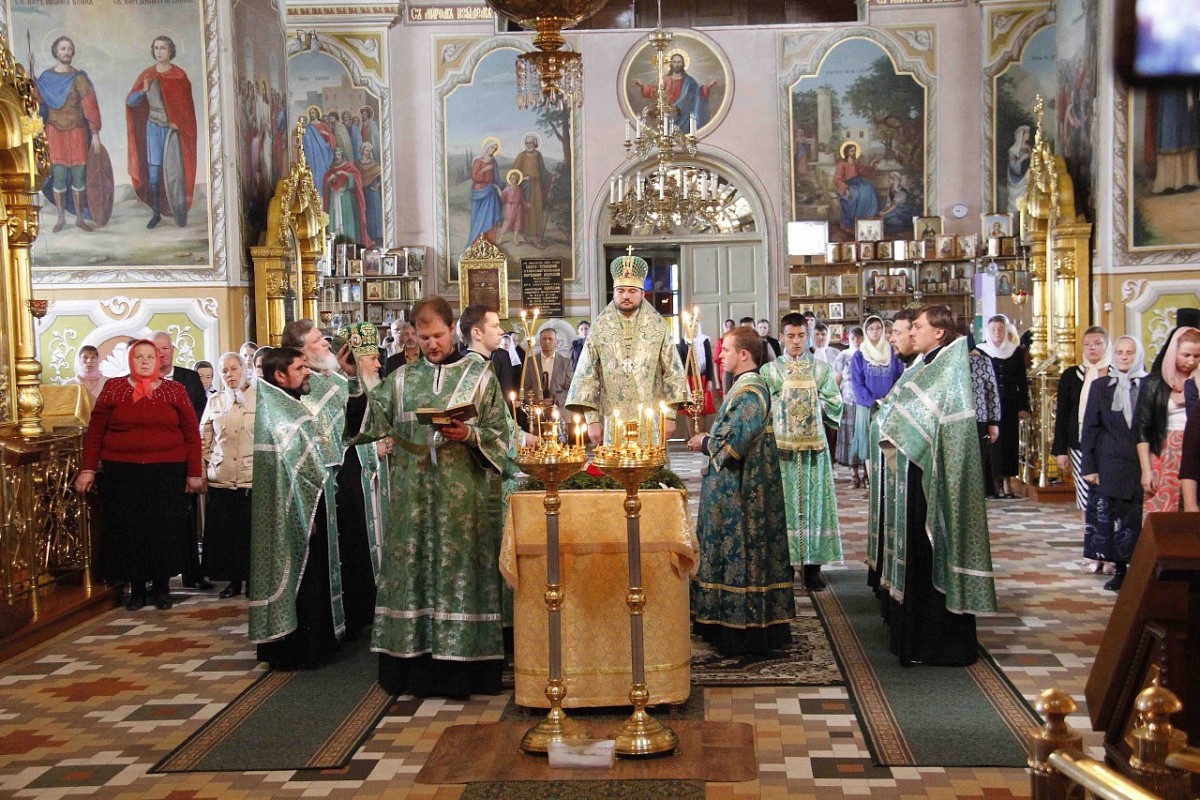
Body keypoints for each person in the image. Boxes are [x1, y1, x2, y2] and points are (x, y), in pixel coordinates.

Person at [344, 297, 511, 698]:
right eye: (424, 337)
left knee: (460, 575)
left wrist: (468, 434)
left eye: (438, 335)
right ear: (413, 336)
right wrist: (354, 380)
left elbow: (501, 436)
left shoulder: (479, 375)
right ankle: (412, 670)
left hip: (462, 503)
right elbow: (365, 423)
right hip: (412, 500)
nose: (432, 344)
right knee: (412, 574)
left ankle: (463, 673)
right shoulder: (402, 379)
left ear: (453, 330)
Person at [874, 306, 997, 666]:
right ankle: (917, 641)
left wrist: (893, 417)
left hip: (937, 474)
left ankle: (940, 645)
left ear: (939, 332)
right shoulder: (930, 363)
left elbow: (918, 415)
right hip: (919, 472)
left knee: (931, 552)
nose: (911, 332)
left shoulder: (949, 366)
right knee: (919, 554)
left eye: (918, 326)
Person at [687, 325, 794, 655]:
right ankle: (720, 621)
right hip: (735, 487)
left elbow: (735, 442)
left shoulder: (750, 392)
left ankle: (740, 631)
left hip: (743, 493)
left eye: (726, 350)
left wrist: (704, 441)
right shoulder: (743, 387)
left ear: (744, 355)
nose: (719, 356)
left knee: (741, 551)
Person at [74, 339, 202, 611]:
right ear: (130, 360)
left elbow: (192, 433)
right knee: (129, 529)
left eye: (150, 357)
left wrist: (194, 473)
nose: (145, 361)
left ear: (158, 361)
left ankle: (162, 588)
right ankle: (137, 589)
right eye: (139, 357)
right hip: (123, 471)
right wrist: (88, 468)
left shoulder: (175, 390)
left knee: (163, 529)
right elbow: (95, 432)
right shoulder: (114, 387)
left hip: (166, 471)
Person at [280, 319, 380, 641]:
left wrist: (351, 377)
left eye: (324, 339)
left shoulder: (330, 378)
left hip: (346, 477)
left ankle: (352, 619)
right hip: (320, 484)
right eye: (317, 341)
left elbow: (353, 423)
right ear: (300, 351)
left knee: (350, 547)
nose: (326, 344)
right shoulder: (299, 389)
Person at [249, 347, 344, 669]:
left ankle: (316, 645)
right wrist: (305, 513)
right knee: (300, 576)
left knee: (312, 574)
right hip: (295, 510)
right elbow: (285, 470)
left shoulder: (290, 405)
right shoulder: (278, 413)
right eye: (300, 368)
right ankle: (295, 650)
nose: (307, 373)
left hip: (310, 503)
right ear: (279, 375)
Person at [566, 251, 687, 446]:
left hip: (651, 418)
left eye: (632, 291)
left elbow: (672, 371)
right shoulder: (600, 327)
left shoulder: (657, 325)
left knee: (651, 464)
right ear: (614, 293)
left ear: (642, 293)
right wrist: (592, 420)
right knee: (613, 464)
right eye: (620, 290)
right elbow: (587, 375)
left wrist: (670, 415)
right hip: (610, 419)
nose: (626, 296)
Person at [761, 313, 843, 591]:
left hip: (813, 453)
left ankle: (812, 568)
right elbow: (763, 406)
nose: (796, 342)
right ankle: (782, 565)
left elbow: (835, 403)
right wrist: (783, 404)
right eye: (791, 336)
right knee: (782, 506)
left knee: (814, 505)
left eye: (801, 336)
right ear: (781, 337)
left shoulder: (820, 370)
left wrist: (815, 405)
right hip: (781, 452)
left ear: (807, 337)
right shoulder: (770, 371)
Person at [1080, 335, 1148, 592]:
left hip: (1140, 462)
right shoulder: (1101, 386)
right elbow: (1090, 427)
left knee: (1134, 518)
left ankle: (1138, 568)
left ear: (1137, 355)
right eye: (1119, 352)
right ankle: (1119, 570)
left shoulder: (1149, 384)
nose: (1124, 356)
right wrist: (1089, 466)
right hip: (1109, 461)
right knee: (1113, 520)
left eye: (1129, 352)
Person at [1052, 327, 1112, 565]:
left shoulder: (1115, 374)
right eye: (1087, 344)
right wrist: (1060, 450)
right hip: (1079, 443)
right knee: (1086, 496)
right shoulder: (1071, 376)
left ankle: (1110, 551)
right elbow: (1063, 414)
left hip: (1109, 446)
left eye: (1097, 343)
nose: (1092, 348)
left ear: (1107, 345)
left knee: (1108, 496)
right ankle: (1092, 549)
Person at [126, 36, 198, 229]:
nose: (159, 52)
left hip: (173, 132)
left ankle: (177, 211)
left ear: (170, 51)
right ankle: (156, 214)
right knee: (154, 172)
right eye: (156, 48)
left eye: (163, 48)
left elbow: (186, 110)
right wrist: (143, 90)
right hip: (153, 128)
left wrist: (178, 124)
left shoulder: (179, 76)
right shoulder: (147, 75)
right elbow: (131, 102)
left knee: (175, 172)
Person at [200, 353, 255, 599]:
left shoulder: (259, 399)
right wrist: (202, 470)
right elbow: (204, 438)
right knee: (228, 535)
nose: (229, 374)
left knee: (249, 533)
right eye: (224, 371)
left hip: (250, 476)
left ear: (244, 370)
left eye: (234, 369)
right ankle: (233, 581)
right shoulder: (215, 402)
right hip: (222, 476)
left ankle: (253, 580)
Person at [36, 35, 102, 233]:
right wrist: (31, 81)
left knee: (79, 176)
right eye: (63, 48)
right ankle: (61, 219)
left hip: (77, 132)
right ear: (56, 52)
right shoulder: (46, 78)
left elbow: (90, 106)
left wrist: (95, 133)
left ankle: (80, 219)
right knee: (59, 176)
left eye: (69, 48)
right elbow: (37, 101)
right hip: (54, 132)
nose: (67, 52)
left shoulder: (79, 78)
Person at [1135, 326, 1200, 515]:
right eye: (1186, 355)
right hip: (1164, 452)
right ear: (1173, 352)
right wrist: (1146, 469)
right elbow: (1142, 427)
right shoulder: (1154, 383)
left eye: (1197, 356)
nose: (1191, 361)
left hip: (1194, 450)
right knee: (1162, 514)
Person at [849, 315, 904, 486]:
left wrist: (889, 400)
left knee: (888, 441)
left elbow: (899, 377)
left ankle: (888, 482)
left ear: (883, 330)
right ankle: (873, 482)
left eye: (878, 328)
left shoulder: (891, 353)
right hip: (867, 406)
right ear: (866, 331)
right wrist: (872, 403)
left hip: (888, 405)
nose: (874, 332)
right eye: (871, 329)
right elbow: (857, 383)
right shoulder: (859, 356)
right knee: (867, 442)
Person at [979, 315, 1030, 498]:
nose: (997, 333)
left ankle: (1008, 482)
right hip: (988, 405)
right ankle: (994, 484)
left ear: (1005, 331)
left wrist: (1023, 406)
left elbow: (1022, 380)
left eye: (1000, 329)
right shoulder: (980, 352)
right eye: (993, 329)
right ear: (988, 331)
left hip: (1009, 404)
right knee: (992, 443)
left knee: (1009, 443)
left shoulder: (1015, 352)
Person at [634, 51, 718, 133]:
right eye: (674, 62)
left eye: (679, 62)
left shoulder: (689, 81)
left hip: (684, 117)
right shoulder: (665, 79)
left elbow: (697, 93)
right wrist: (642, 86)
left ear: (683, 64)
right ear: (671, 64)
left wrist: (707, 86)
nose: (677, 64)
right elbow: (654, 91)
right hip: (668, 115)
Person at [967, 332, 1002, 498]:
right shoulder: (948, 362)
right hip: (953, 419)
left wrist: (994, 421)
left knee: (978, 459)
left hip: (979, 417)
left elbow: (992, 392)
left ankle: (976, 495)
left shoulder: (982, 361)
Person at [323, 148, 373, 248]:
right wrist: (330, 179)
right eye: (335, 155)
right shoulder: (332, 169)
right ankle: (335, 243)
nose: (337, 157)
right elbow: (326, 182)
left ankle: (349, 244)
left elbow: (356, 177)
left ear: (342, 156)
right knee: (335, 219)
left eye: (338, 155)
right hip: (334, 197)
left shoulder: (348, 167)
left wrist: (344, 173)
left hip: (346, 198)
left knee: (346, 219)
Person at [834, 326, 863, 480]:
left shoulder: (867, 354)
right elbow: (836, 379)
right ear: (849, 339)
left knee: (862, 433)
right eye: (854, 338)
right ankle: (854, 473)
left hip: (864, 399)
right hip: (848, 398)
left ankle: (866, 473)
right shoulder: (843, 355)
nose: (857, 341)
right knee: (850, 434)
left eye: (859, 337)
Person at [523, 327, 572, 419]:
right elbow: (525, 387)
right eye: (544, 339)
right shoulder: (530, 362)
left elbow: (570, 388)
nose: (547, 342)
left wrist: (555, 400)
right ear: (540, 341)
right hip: (537, 412)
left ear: (557, 342)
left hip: (560, 412)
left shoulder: (565, 363)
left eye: (550, 339)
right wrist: (535, 401)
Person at [511, 134, 551, 245]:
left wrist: (551, 176)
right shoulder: (521, 156)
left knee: (536, 209)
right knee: (526, 209)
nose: (529, 145)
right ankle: (525, 233)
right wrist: (523, 178)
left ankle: (536, 235)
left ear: (535, 143)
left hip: (537, 186)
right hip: (525, 186)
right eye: (527, 143)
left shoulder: (538, 155)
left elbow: (543, 171)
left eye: (531, 143)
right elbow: (514, 172)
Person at [676, 321, 715, 435]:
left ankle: (701, 436)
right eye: (691, 326)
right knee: (688, 410)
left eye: (696, 326)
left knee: (702, 409)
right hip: (688, 379)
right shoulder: (683, 341)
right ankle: (692, 436)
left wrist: (710, 380)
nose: (694, 328)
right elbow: (681, 362)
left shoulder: (704, 340)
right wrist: (682, 381)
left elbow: (709, 361)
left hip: (702, 378)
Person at [834, 141, 879, 236]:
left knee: (869, 189)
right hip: (848, 185)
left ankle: (867, 218)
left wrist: (872, 165)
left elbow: (864, 171)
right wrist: (845, 189)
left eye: (854, 151)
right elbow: (838, 179)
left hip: (859, 183)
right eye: (851, 151)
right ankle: (850, 224)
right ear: (846, 152)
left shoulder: (856, 163)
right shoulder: (842, 164)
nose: (853, 153)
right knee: (854, 196)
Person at [467, 137, 504, 247]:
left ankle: (490, 243)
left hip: (491, 191)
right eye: (492, 147)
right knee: (478, 218)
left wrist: (501, 186)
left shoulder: (493, 162)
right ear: (487, 147)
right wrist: (484, 170)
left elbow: (496, 178)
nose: (493, 150)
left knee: (491, 217)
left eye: (495, 148)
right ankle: (476, 243)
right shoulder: (478, 161)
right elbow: (474, 177)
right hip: (479, 190)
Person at [1006, 125, 1032, 214]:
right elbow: (1013, 166)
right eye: (1026, 133)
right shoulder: (1013, 150)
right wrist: (1022, 159)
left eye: (1028, 133)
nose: (1028, 135)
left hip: (1027, 177)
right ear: (1021, 135)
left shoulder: (1028, 148)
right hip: (1017, 179)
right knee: (1016, 203)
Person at [498, 168, 525, 245]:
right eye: (512, 178)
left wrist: (526, 204)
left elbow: (521, 198)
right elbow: (502, 196)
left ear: (517, 180)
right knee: (507, 222)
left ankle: (515, 239)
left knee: (517, 222)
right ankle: (500, 239)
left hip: (518, 207)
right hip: (509, 207)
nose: (513, 180)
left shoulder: (519, 189)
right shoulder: (507, 188)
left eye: (515, 179)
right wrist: (498, 189)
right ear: (509, 179)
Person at [717, 318, 736, 393]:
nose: (729, 329)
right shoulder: (721, 341)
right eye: (727, 327)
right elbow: (716, 361)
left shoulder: (738, 340)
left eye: (731, 326)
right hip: (725, 371)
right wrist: (717, 381)